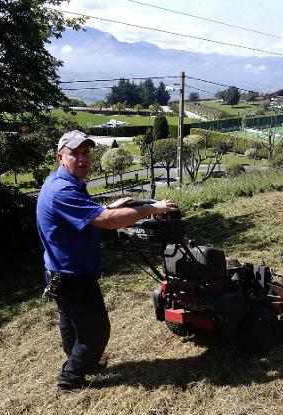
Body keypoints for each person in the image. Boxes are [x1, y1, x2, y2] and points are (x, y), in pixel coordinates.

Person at [36, 130, 178, 393]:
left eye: (86, 153)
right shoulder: (62, 190)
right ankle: (70, 379)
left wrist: (110, 206)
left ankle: (79, 364)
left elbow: (90, 215)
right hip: (73, 276)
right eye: (75, 154)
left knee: (72, 323)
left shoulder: (62, 182)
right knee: (97, 332)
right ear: (60, 157)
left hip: (59, 272)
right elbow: (107, 223)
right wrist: (150, 209)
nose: (83, 159)